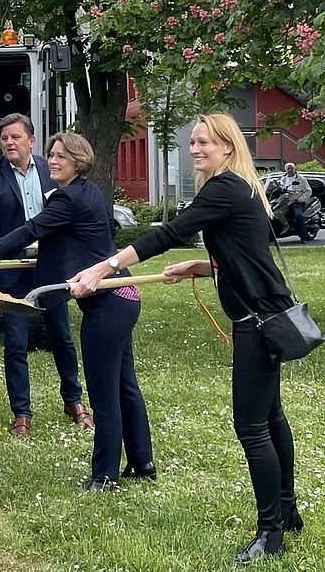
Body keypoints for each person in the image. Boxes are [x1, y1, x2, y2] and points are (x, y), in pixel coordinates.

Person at [69, 113, 301, 563]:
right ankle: (287, 512)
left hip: (257, 321)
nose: (195, 149)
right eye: (192, 142)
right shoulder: (240, 187)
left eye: (204, 142)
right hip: (266, 312)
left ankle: (271, 531)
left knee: (252, 427)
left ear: (227, 147)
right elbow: (245, 255)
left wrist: (104, 266)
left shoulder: (224, 187)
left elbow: (170, 233)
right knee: (271, 418)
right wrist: (200, 267)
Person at [0, 132, 153, 491]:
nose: (52, 161)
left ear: (78, 162)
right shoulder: (86, 191)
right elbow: (53, 241)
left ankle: (105, 476)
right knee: (124, 383)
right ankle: (142, 461)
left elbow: (29, 231)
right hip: (124, 296)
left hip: (108, 303)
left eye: (60, 157)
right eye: (50, 155)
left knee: (103, 392)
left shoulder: (68, 199)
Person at [0, 113, 92, 438]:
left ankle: (74, 401)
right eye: (4, 138)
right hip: (14, 272)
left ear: (31, 140)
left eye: (15, 137)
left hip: (50, 268)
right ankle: (21, 413)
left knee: (62, 337)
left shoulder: (52, 170)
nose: (9, 143)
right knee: (15, 344)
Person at [281, 162, 312, 242]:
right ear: (285, 169)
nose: (290, 170)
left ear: (295, 169)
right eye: (288, 168)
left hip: (296, 202)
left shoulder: (301, 178)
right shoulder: (282, 179)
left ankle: (302, 236)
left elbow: (308, 191)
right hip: (285, 201)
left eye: (292, 168)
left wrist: (299, 199)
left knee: (298, 215)